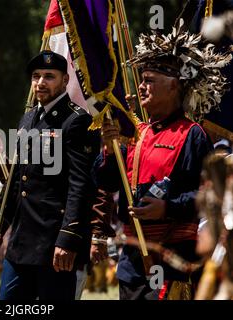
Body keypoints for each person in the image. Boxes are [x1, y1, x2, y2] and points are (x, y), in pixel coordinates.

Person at [96, 26, 231, 300]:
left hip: (173, 258)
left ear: (174, 85)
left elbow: (209, 197)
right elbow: (104, 181)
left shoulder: (193, 134)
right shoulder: (136, 132)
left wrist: (167, 207)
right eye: (141, 80)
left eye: (149, 80)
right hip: (132, 260)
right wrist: (109, 151)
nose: (141, 87)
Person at [0, 50, 100, 300]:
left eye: (49, 76)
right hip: (21, 242)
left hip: (53, 244)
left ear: (65, 80)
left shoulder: (77, 121)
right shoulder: (28, 119)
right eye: (36, 76)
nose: (40, 82)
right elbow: (17, 180)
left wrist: (68, 239)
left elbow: (80, 186)